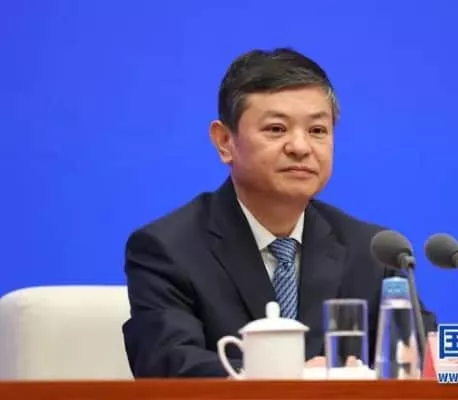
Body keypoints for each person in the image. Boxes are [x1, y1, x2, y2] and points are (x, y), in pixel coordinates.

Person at [122, 47, 437, 378]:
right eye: (276, 129)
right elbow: (169, 365)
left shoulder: (373, 252)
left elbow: (422, 358)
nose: (300, 147)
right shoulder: (168, 249)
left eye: (317, 131)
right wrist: (291, 376)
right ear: (225, 141)